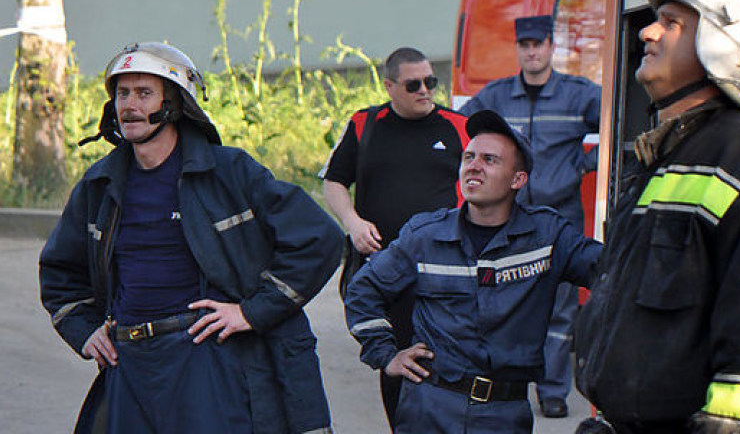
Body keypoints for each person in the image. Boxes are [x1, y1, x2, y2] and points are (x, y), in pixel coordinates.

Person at [39, 42, 344, 434]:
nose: (128, 105)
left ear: (175, 105)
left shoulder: (230, 172)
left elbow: (320, 238)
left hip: (205, 361)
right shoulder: (99, 184)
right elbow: (60, 271)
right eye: (122, 93)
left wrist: (251, 311)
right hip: (128, 365)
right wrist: (85, 331)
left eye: (144, 93)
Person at [575, 0, 740, 433]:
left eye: (670, 22)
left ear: (724, 42)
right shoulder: (664, 155)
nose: (646, 30)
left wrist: (731, 423)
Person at [345, 109, 602, 434]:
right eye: (469, 157)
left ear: (517, 179)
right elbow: (363, 290)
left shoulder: (547, 237)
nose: (474, 166)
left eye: (490, 160)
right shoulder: (424, 236)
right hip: (429, 409)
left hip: (503, 415)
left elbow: (612, 272)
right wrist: (385, 354)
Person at [460, 14, 601, 418]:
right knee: (501, 300)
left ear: (551, 47)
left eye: (539, 44)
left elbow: (617, 118)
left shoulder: (577, 94)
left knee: (559, 307)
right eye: (525, 45)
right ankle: (502, 380)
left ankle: (553, 390)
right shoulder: (498, 96)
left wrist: (584, 164)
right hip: (509, 216)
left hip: (560, 216)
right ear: (518, 49)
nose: (533, 51)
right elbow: (459, 126)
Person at [319, 46, 468, 428]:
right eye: (413, 84)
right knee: (397, 361)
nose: (425, 90)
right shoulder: (364, 124)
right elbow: (333, 182)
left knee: (448, 360)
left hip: (446, 270)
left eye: (431, 82)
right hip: (386, 272)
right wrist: (352, 223)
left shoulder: (458, 126)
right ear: (389, 86)